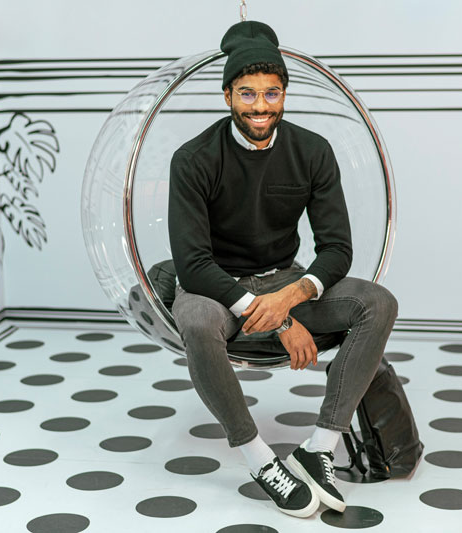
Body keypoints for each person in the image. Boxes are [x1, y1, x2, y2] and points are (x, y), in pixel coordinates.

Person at [168, 20, 398, 518]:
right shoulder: (192, 160)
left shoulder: (312, 151)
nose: (260, 106)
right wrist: (280, 320)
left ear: (284, 94)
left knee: (378, 303)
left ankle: (319, 449)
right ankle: (260, 459)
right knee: (197, 322)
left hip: (283, 279)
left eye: (272, 93)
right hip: (215, 288)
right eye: (247, 94)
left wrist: (289, 298)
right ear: (227, 95)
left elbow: (336, 249)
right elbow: (192, 264)